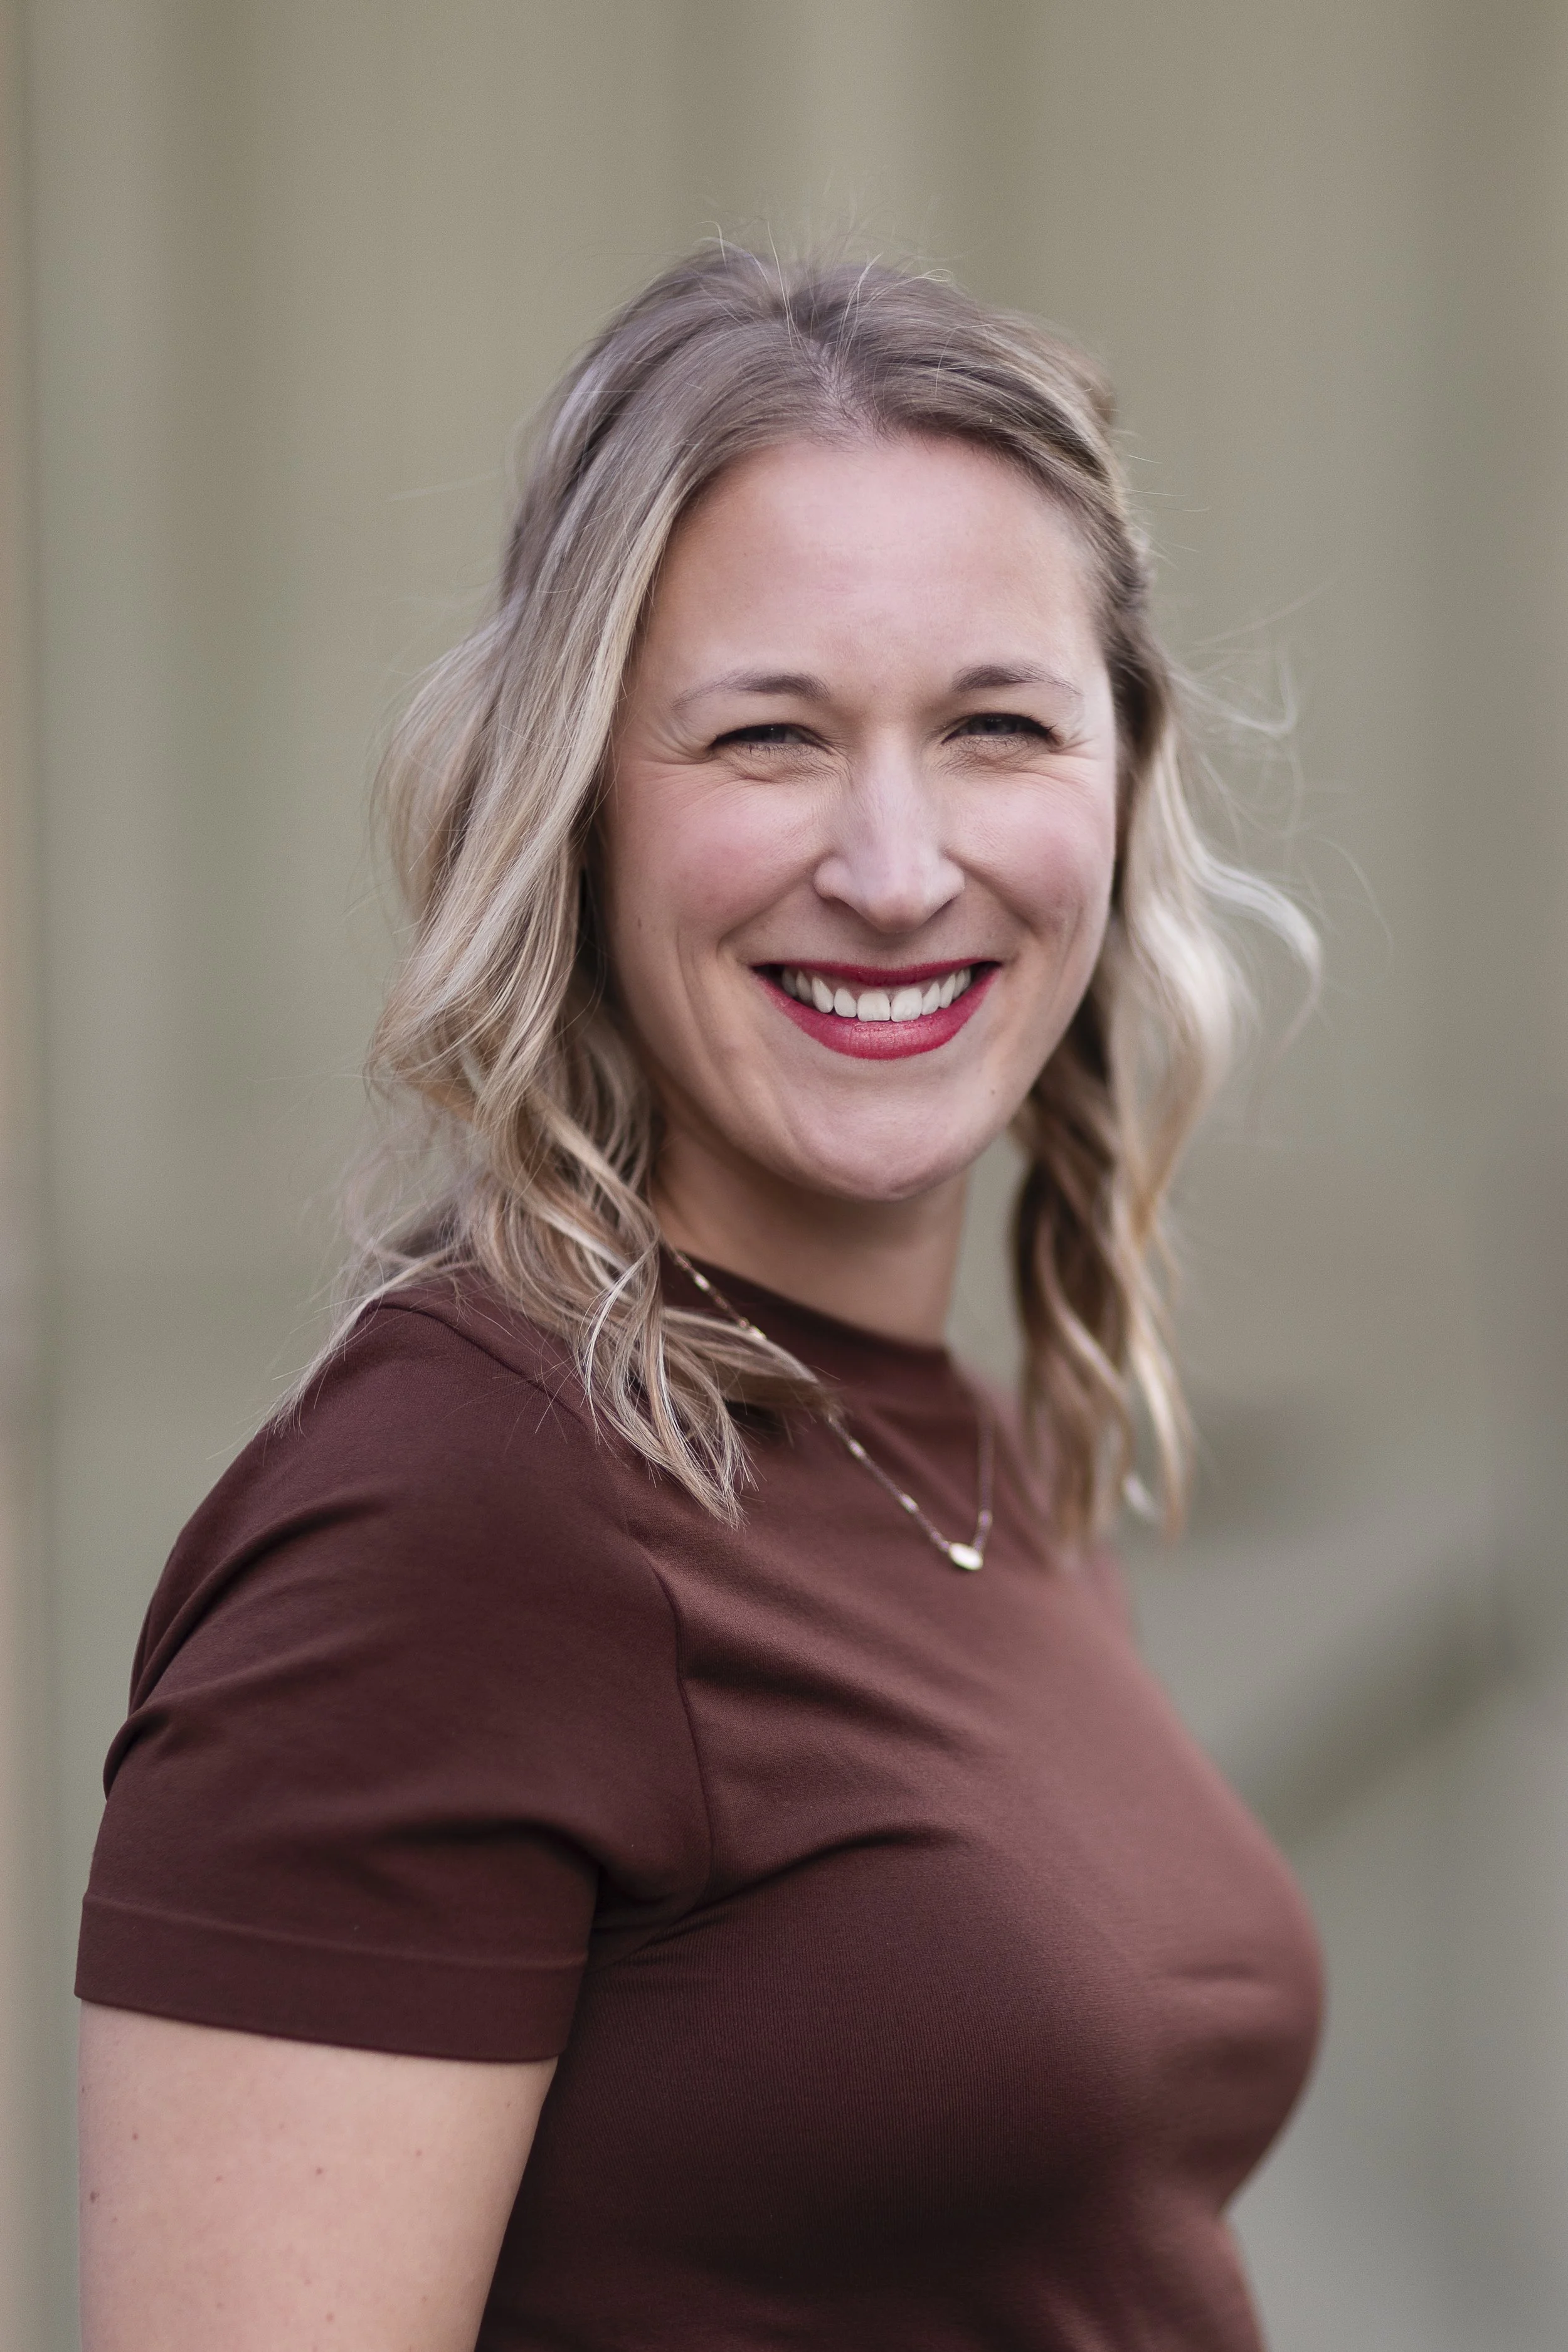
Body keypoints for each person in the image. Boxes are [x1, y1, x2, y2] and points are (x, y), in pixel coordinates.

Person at [76, 248, 1322, 2351]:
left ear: (1116, 776)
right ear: (573, 806)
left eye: (996, 724)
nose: (899, 862)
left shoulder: (926, 1436)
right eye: (768, 739)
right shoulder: (460, 1516)